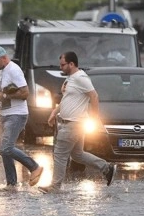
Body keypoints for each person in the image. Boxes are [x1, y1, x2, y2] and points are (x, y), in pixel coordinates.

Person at [38, 51, 117, 194]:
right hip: (73, 123)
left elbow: (94, 96)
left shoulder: (81, 78)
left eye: (63, 65)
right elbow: (67, 100)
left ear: (71, 64)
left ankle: (55, 187)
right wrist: (55, 112)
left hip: (73, 123)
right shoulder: (71, 79)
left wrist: (95, 117)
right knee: (77, 155)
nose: (60, 68)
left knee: (60, 154)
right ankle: (107, 168)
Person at [0, 46, 44, 190]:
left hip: (16, 114)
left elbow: (25, 93)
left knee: (6, 148)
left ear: (3, 58)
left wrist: (4, 95)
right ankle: (11, 184)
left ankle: (34, 167)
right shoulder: (3, 72)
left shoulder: (14, 70)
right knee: (2, 150)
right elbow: (5, 93)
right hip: (4, 114)